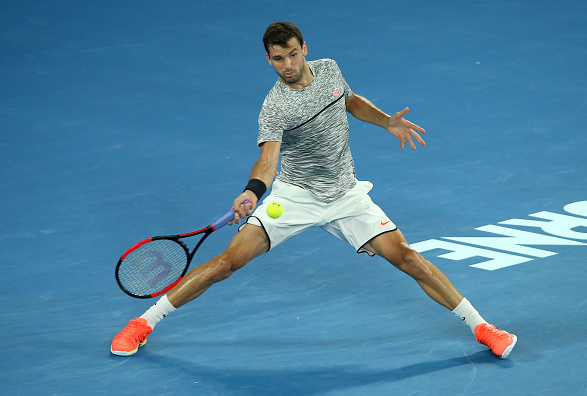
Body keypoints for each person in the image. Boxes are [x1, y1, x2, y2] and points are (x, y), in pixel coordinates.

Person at [111, 21, 517, 359]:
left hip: (345, 194)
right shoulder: (275, 107)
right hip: (295, 196)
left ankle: (483, 328)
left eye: (291, 54)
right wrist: (253, 191)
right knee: (226, 264)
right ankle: (142, 323)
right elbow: (268, 160)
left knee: (408, 258)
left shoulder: (329, 69)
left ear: (304, 48)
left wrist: (385, 122)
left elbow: (351, 101)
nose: (286, 65)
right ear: (268, 59)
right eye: (277, 58)